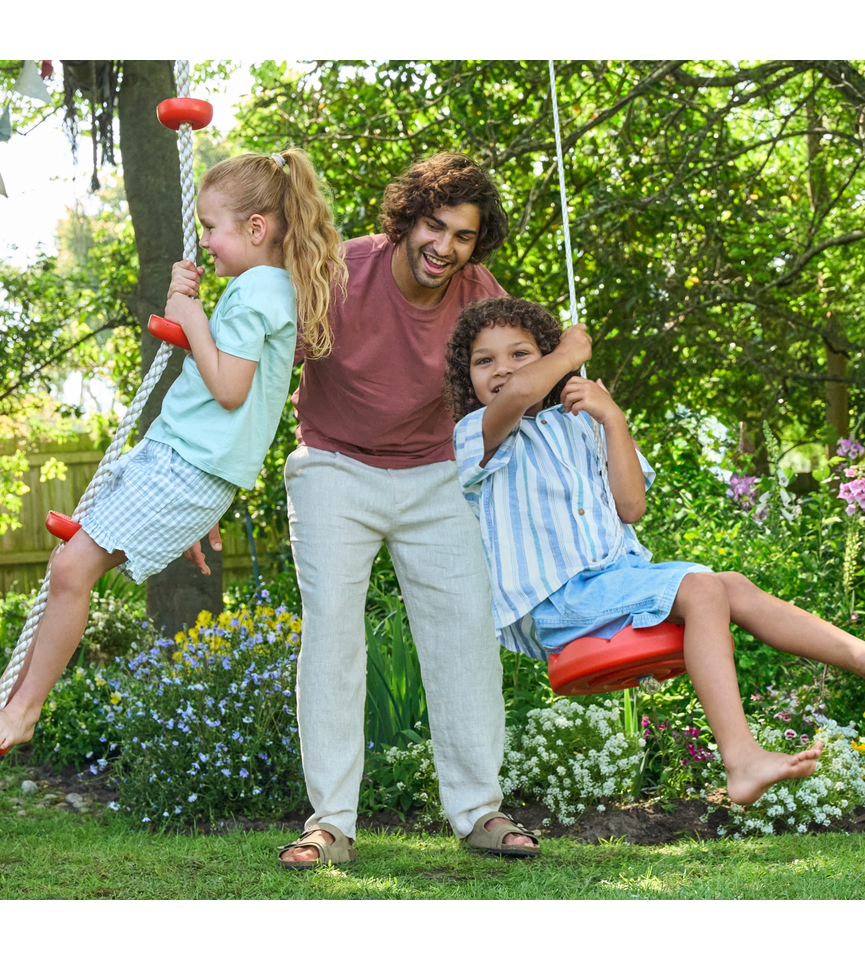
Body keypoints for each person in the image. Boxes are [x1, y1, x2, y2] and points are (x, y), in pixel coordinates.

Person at [445, 297, 865, 805]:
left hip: (614, 580)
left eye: (520, 354)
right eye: (485, 361)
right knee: (702, 588)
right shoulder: (479, 436)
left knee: (732, 586)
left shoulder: (581, 422)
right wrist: (568, 353)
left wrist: (612, 418)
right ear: (469, 378)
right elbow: (524, 389)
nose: (503, 369)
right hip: (560, 600)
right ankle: (741, 759)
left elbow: (631, 507)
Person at [0, 149, 345, 752]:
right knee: (68, 569)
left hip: (186, 464)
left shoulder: (260, 291)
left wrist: (191, 316)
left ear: (256, 229)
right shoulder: (262, 288)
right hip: (177, 458)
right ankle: (4, 696)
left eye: (211, 228)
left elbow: (229, 390)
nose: (204, 241)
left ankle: (23, 711)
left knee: (71, 568)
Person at [278, 154, 539, 868]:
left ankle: (480, 810)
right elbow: (267, 369)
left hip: (435, 474)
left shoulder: (476, 291)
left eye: (462, 235)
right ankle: (329, 823)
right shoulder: (341, 273)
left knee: (464, 631)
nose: (444, 246)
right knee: (332, 631)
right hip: (333, 464)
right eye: (434, 225)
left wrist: (569, 369)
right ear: (405, 219)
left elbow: (513, 372)